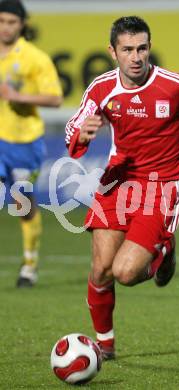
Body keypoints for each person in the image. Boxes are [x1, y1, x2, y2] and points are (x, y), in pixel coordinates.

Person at [65, 16, 179, 359]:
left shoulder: (172, 85)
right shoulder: (101, 89)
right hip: (117, 181)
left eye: (142, 48)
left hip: (160, 186)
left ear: (149, 47)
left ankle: (165, 251)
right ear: (112, 52)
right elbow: (74, 131)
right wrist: (81, 135)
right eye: (127, 49)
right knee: (101, 269)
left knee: (126, 273)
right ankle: (104, 348)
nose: (136, 57)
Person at [0, 0, 63, 287]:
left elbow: (55, 97)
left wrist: (18, 97)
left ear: (22, 24)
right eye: (1, 21)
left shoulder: (34, 58)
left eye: (11, 22)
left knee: (22, 204)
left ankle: (29, 264)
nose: (5, 27)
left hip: (24, 141)